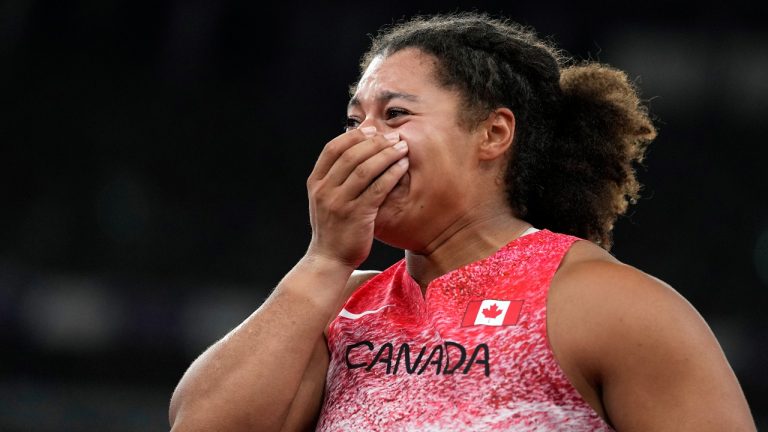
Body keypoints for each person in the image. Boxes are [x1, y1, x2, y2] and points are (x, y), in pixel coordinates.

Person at [168, 12, 755, 431]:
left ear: (493, 134)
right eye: (354, 121)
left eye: (395, 113)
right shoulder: (337, 309)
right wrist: (324, 259)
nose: (362, 142)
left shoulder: (604, 304)